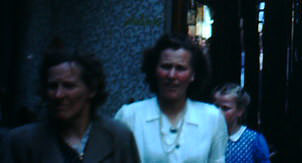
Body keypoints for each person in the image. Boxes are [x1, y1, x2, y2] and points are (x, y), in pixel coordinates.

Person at [4, 47, 140, 162]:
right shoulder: (22, 141)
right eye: (52, 86)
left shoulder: (118, 138)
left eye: (68, 86)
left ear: (91, 90)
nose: (58, 95)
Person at [115, 33, 227, 162]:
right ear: (154, 70)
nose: (172, 75)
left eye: (180, 68)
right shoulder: (130, 116)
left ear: (193, 75)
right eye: (166, 67)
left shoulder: (212, 118)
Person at [212, 84, 271, 163]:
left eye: (225, 108)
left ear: (240, 111)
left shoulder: (252, 140)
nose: (218, 112)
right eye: (216, 107)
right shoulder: (208, 136)